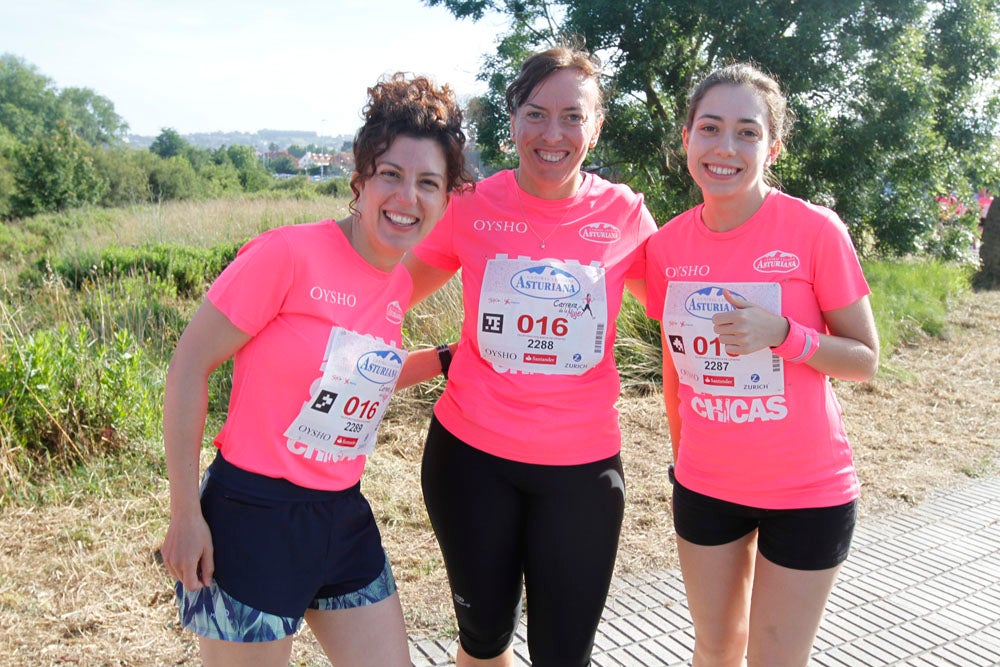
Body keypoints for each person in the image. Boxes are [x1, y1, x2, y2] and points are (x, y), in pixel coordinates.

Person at [159, 73, 473, 666]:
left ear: (444, 200)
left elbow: (358, 376)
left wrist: (445, 360)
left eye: (428, 183)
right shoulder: (287, 254)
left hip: (342, 514)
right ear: (359, 182)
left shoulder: (397, 283)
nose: (408, 197)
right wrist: (184, 513)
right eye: (391, 175)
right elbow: (186, 369)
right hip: (253, 519)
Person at [403, 45, 657, 666]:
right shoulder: (470, 206)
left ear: (596, 128)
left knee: (563, 655)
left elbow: (684, 309)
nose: (553, 133)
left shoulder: (624, 213)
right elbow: (384, 293)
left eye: (573, 116)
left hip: (582, 470)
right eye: (537, 114)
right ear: (512, 119)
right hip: (470, 461)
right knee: (483, 642)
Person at [645, 62, 880, 667]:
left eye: (747, 132)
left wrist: (783, 336)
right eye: (710, 128)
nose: (726, 147)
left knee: (777, 659)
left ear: (772, 147)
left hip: (808, 491)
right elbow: (677, 367)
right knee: (717, 650)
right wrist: (683, 454)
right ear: (686, 139)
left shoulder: (814, 230)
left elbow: (864, 360)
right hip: (706, 484)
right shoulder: (666, 245)